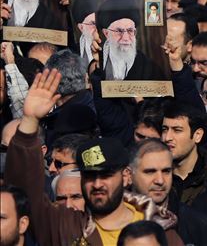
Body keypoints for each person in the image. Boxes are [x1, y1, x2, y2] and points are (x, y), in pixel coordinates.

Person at [6, 69, 183, 245]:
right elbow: (23, 195)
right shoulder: (67, 226)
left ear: (126, 176)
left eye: (106, 175)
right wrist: (30, 120)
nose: (97, 184)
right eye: (90, 176)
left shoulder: (161, 232)